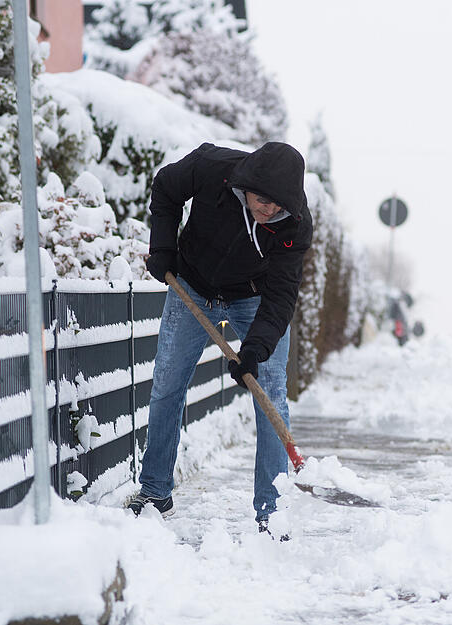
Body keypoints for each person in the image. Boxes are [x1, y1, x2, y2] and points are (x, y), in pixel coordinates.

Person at [128, 141, 313, 536]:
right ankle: (155, 492)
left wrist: (256, 348)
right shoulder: (211, 167)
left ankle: (271, 512)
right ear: (246, 185)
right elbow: (165, 187)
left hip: (254, 297)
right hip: (192, 287)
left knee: (271, 397)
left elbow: (281, 296)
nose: (268, 211)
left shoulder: (294, 224)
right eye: (262, 201)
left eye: (278, 206)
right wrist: (162, 247)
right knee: (167, 385)